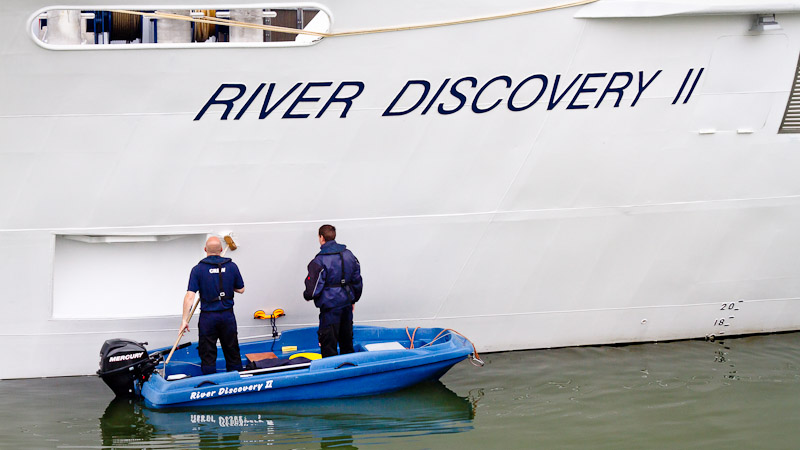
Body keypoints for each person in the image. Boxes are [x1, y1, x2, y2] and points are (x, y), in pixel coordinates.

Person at [181, 236, 245, 374]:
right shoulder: (232, 266)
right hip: (227, 316)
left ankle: (210, 383)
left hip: (208, 318)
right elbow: (241, 289)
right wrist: (227, 287)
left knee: (207, 352)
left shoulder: (197, 270)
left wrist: (184, 320)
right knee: (232, 349)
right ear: (221, 250)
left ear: (205, 250)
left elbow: (189, 297)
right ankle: (236, 382)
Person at [303, 224, 363, 357]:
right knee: (347, 342)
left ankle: (332, 372)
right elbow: (357, 279)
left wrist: (307, 296)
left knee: (329, 345)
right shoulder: (349, 255)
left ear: (321, 237)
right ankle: (350, 371)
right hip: (347, 304)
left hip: (330, 308)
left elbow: (312, 290)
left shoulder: (319, 261)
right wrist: (354, 299)